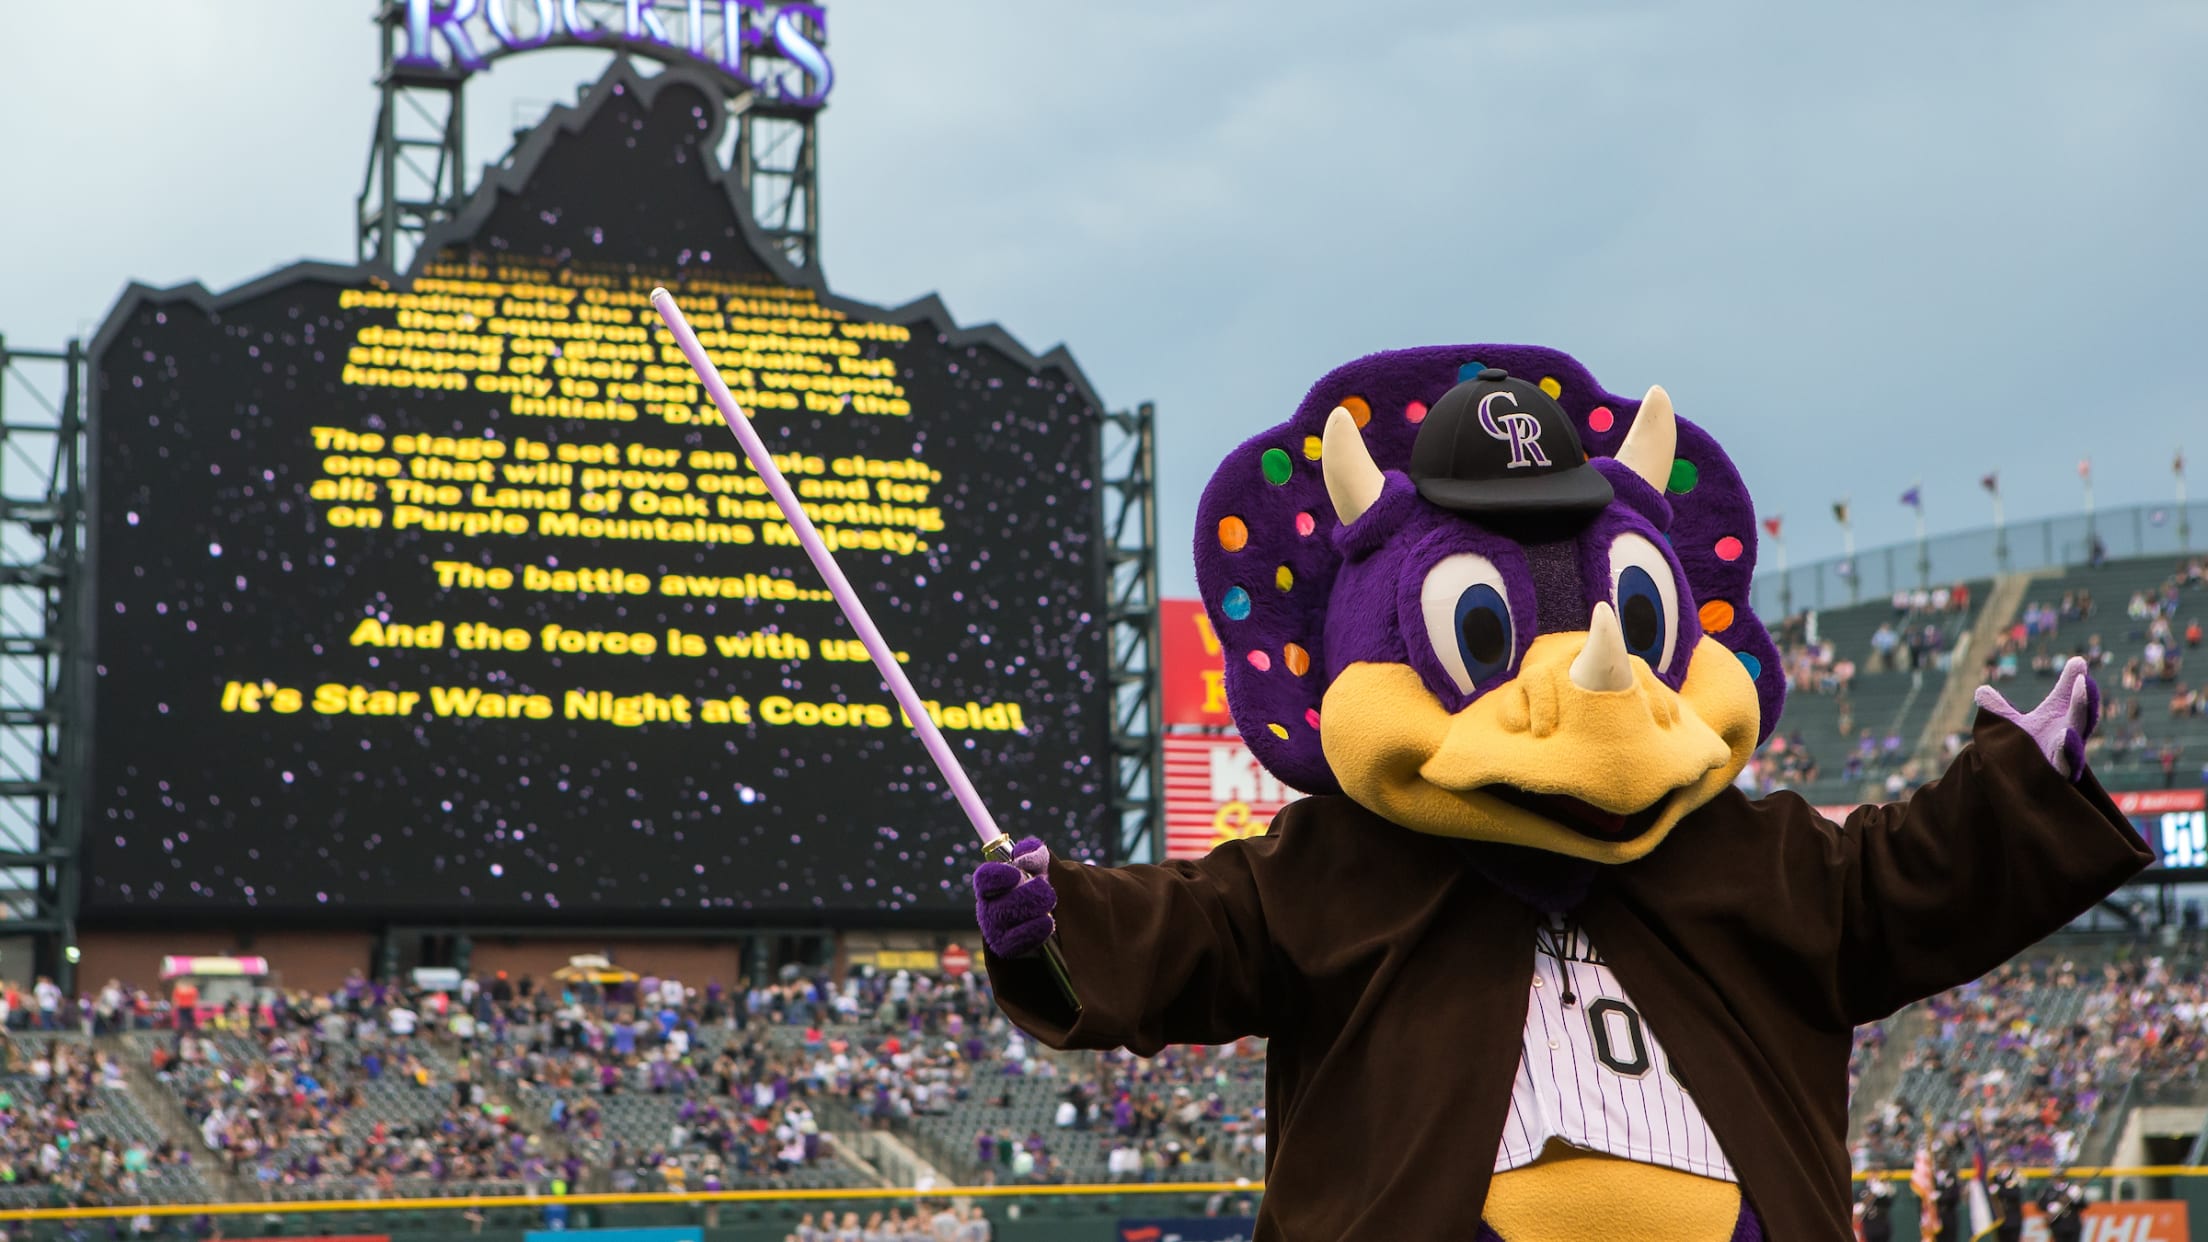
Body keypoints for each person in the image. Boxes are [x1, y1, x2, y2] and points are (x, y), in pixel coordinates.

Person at [975, 353, 2148, 1241]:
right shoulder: (1333, 868)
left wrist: (2013, 792)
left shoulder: (1744, 852)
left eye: (1634, 626)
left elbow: (1894, 887)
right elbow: (1194, 929)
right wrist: (1055, 918)